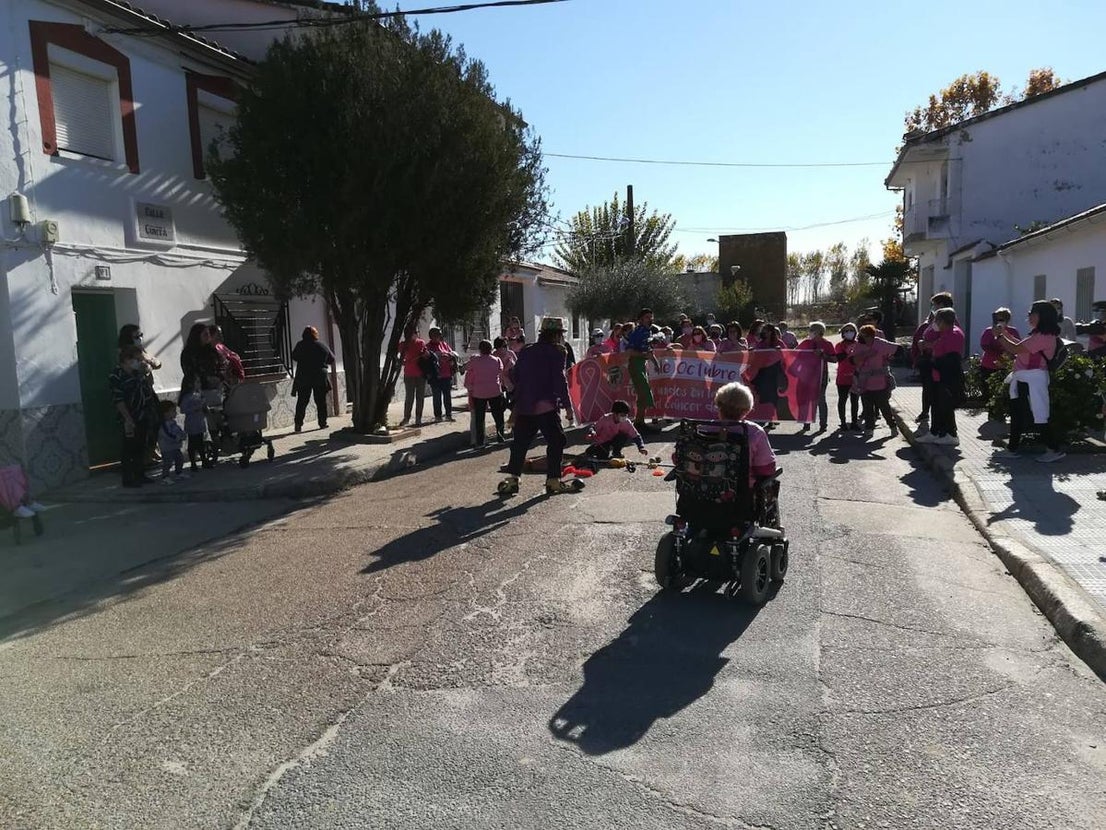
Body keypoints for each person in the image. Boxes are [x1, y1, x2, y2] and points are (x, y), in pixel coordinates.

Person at [498, 317, 577, 496]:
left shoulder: (527, 350)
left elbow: (515, 375)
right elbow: (559, 379)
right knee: (557, 441)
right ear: (557, 335)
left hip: (525, 404)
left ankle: (513, 480)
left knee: (520, 443)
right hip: (545, 406)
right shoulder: (558, 351)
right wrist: (568, 407)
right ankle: (553, 481)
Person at [992, 300, 1065, 462]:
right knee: (1017, 415)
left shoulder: (1044, 337)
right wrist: (1004, 333)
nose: (1029, 316)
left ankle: (1053, 449)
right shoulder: (1038, 334)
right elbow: (1019, 345)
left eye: (1032, 313)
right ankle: (1012, 448)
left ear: (1042, 316)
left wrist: (998, 336)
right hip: (1025, 379)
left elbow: (1015, 349)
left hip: (1034, 380)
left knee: (1039, 416)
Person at [916, 308, 965, 446]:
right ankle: (935, 432)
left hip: (947, 378)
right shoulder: (943, 333)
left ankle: (951, 434)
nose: (934, 323)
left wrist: (933, 363)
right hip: (937, 376)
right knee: (936, 406)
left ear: (943, 321)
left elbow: (950, 360)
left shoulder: (954, 335)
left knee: (946, 407)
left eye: (936, 320)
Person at [714, 382, 777, 487]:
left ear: (719, 406)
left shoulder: (702, 429)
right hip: (741, 492)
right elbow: (766, 468)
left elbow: (678, 459)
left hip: (699, 494)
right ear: (747, 410)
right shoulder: (755, 432)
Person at [110, 345, 153, 487]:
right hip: (128, 416)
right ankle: (128, 478)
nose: (137, 362)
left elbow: (146, 390)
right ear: (127, 360)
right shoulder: (117, 375)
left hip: (142, 414)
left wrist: (146, 373)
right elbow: (118, 399)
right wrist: (128, 418)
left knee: (141, 445)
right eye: (135, 359)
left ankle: (140, 474)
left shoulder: (137, 373)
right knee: (129, 448)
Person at [850, 324, 899, 437]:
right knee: (867, 407)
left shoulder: (880, 343)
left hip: (880, 382)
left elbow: (898, 349)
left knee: (884, 406)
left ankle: (892, 426)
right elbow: (852, 361)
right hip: (865, 382)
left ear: (870, 336)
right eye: (861, 336)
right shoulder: (859, 346)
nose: (862, 338)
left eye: (865, 336)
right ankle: (869, 428)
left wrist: (890, 357)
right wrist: (865, 355)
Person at [290, 326, 335, 432]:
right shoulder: (321, 345)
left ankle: (298, 425)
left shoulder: (300, 345)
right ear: (315, 334)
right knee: (321, 401)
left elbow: (294, 356)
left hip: (304, 376)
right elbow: (331, 359)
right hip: (319, 375)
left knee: (302, 401)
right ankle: (322, 423)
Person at [464, 340, 506, 446]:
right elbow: (500, 371)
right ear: (491, 349)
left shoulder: (475, 361)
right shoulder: (497, 360)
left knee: (479, 417)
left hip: (479, 393)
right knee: (498, 415)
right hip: (495, 391)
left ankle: (480, 441)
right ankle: (500, 436)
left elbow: (466, 368)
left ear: (480, 349)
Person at [745, 325, 789, 426]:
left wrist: (780, 352)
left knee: (773, 396)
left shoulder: (779, 343)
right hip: (763, 372)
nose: (765, 333)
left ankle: (771, 419)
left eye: (767, 331)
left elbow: (786, 356)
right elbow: (756, 356)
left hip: (775, 372)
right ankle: (763, 417)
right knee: (763, 395)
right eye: (763, 331)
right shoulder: (761, 343)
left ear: (771, 332)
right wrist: (752, 351)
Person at [796, 321, 836, 432]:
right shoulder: (806, 343)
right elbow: (794, 354)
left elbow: (834, 359)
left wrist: (823, 355)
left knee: (820, 400)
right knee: (806, 399)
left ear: (819, 332)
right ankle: (806, 422)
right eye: (810, 330)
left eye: (812, 330)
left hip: (821, 376)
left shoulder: (827, 344)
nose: (810, 332)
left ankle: (823, 424)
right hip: (807, 375)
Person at [625, 308, 660, 431]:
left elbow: (648, 351)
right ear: (640, 319)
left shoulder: (649, 332)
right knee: (645, 392)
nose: (650, 319)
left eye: (651, 317)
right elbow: (629, 351)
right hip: (635, 364)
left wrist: (655, 363)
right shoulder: (637, 332)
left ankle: (640, 422)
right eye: (647, 317)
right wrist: (643, 356)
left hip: (642, 364)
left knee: (642, 395)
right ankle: (639, 423)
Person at [979, 308, 1019, 389]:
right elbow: (984, 345)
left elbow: (1018, 346)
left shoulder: (1013, 331)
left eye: (1001, 319)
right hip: (989, 365)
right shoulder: (989, 331)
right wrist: (997, 355)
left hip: (1006, 366)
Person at [398, 324, 428, 427]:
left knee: (420, 397)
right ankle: (406, 417)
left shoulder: (421, 343)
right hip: (409, 374)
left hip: (420, 374)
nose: (415, 334)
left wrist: (425, 355)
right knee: (409, 397)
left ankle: (418, 418)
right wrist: (402, 362)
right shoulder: (403, 344)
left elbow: (425, 355)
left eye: (415, 332)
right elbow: (397, 356)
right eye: (413, 332)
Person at [426, 327, 458, 422]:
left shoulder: (444, 344)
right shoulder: (428, 346)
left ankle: (448, 415)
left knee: (447, 396)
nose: (439, 336)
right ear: (431, 336)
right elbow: (427, 359)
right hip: (435, 375)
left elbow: (451, 354)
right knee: (437, 397)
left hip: (446, 374)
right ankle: (438, 416)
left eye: (440, 335)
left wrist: (450, 356)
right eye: (436, 335)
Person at [834, 323, 861, 430]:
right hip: (843, 376)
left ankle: (854, 422)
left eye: (851, 330)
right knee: (842, 400)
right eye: (847, 331)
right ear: (843, 333)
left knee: (855, 401)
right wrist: (848, 351)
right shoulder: (839, 345)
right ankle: (843, 422)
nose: (849, 333)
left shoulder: (859, 345)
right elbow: (839, 358)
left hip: (856, 376)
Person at [156, 400, 188, 483]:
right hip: (167, 448)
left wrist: (182, 434)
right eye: (173, 411)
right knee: (168, 462)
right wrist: (176, 438)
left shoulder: (173, 422)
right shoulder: (163, 425)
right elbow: (167, 434)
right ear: (165, 413)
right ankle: (165, 476)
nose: (175, 413)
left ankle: (179, 472)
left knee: (179, 459)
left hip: (175, 446)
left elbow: (178, 430)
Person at [179, 385, 207, 471]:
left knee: (201, 442)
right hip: (192, 421)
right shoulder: (187, 396)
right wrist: (195, 408)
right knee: (192, 443)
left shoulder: (199, 394)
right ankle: (193, 463)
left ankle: (204, 460)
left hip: (200, 420)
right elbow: (182, 409)